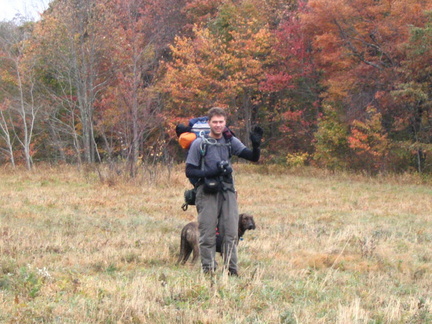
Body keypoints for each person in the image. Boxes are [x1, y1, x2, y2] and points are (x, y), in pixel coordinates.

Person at [185, 107, 263, 276]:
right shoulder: (200, 143)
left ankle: (232, 271)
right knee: (207, 233)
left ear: (225, 122)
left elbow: (253, 157)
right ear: (209, 123)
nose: (218, 125)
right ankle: (209, 270)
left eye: (221, 122)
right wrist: (211, 173)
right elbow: (189, 171)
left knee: (230, 233)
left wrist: (256, 145)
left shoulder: (230, 141)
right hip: (207, 192)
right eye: (215, 122)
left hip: (228, 192)